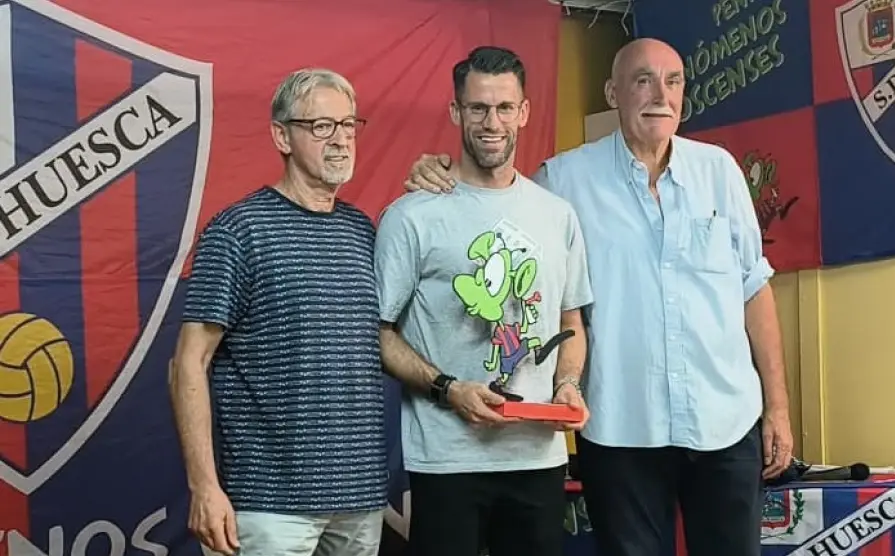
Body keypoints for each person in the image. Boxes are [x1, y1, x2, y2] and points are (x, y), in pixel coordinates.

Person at [401, 38, 793, 556]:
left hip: (725, 422)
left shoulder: (719, 171)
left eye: (672, 81)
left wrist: (778, 407)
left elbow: (753, 291)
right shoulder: (564, 181)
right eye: (642, 80)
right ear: (613, 93)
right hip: (620, 427)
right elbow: (496, 197)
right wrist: (440, 171)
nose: (659, 94)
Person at [374, 46, 594, 556]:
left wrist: (566, 385)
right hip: (447, 460)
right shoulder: (412, 216)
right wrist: (448, 388)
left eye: (503, 108)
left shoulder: (557, 215)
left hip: (537, 459)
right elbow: (377, 333)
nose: (491, 122)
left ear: (524, 112)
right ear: (456, 113)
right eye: (477, 108)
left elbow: (571, 321)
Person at [168, 68, 388, 556]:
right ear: (281, 135)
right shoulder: (238, 230)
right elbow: (188, 362)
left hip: (360, 499)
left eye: (349, 125)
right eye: (321, 126)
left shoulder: (362, 231)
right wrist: (205, 487)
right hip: (268, 505)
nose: (340, 140)